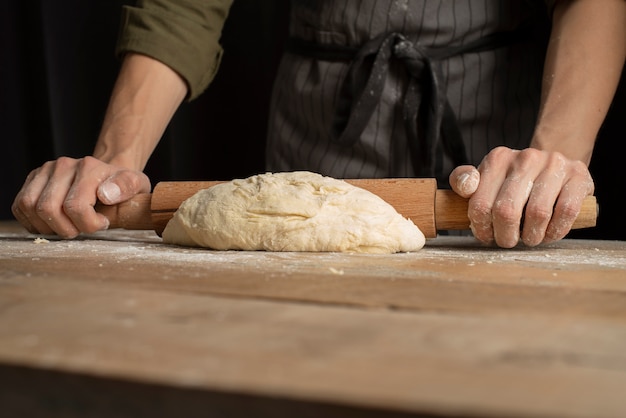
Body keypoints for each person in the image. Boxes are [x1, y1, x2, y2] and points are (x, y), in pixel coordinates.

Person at [11, 0, 626, 248]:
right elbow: (184, 7)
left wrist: (554, 160)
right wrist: (113, 171)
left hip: (496, 144)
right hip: (318, 121)